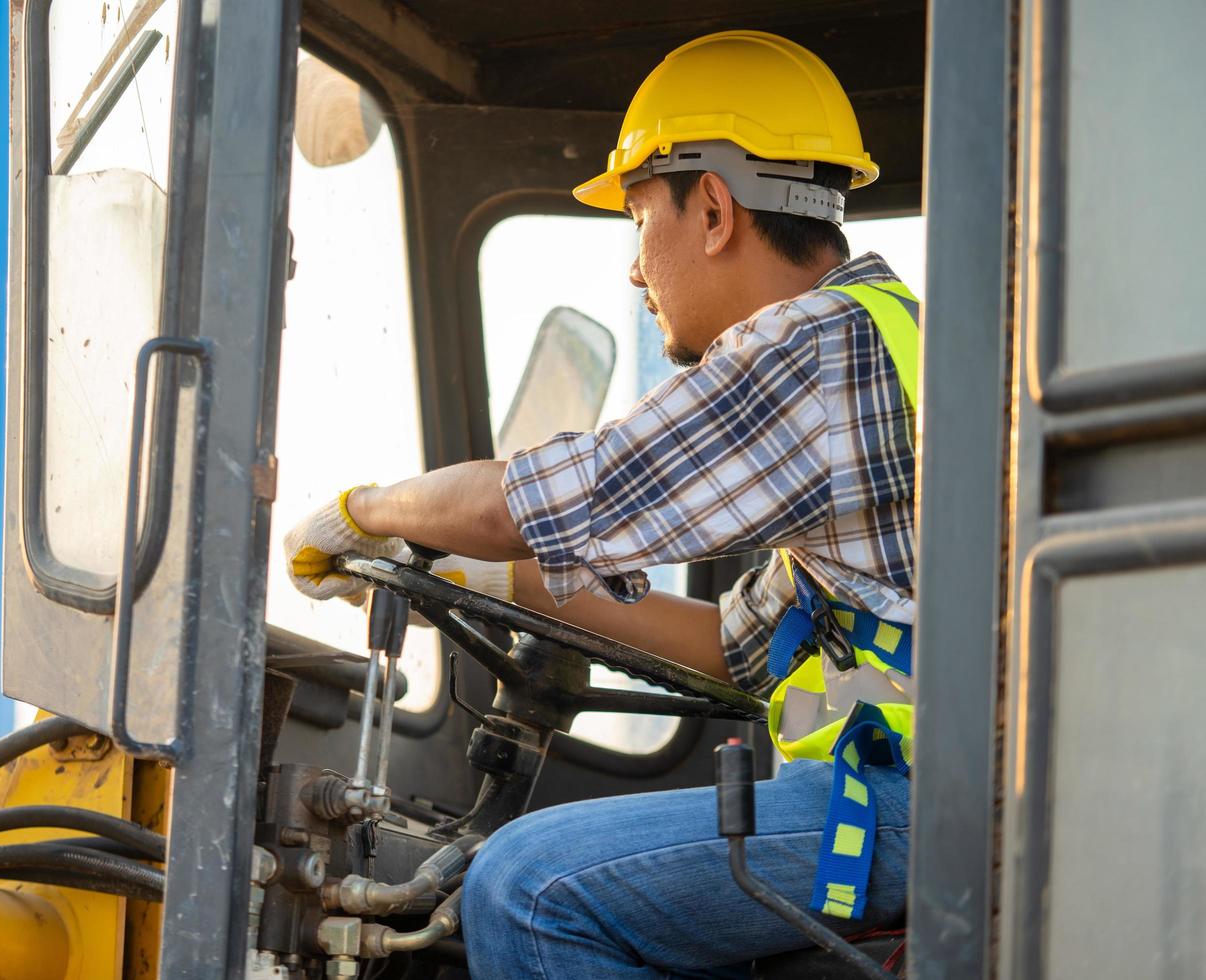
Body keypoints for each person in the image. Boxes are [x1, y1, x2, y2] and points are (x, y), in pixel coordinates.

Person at [283, 30, 917, 977]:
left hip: (909, 803)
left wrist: (367, 510)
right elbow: (732, 649)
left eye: (635, 220)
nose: (633, 268)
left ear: (711, 207)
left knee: (523, 889)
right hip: (912, 794)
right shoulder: (874, 343)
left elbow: (528, 501)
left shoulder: (817, 347)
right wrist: (487, 576)